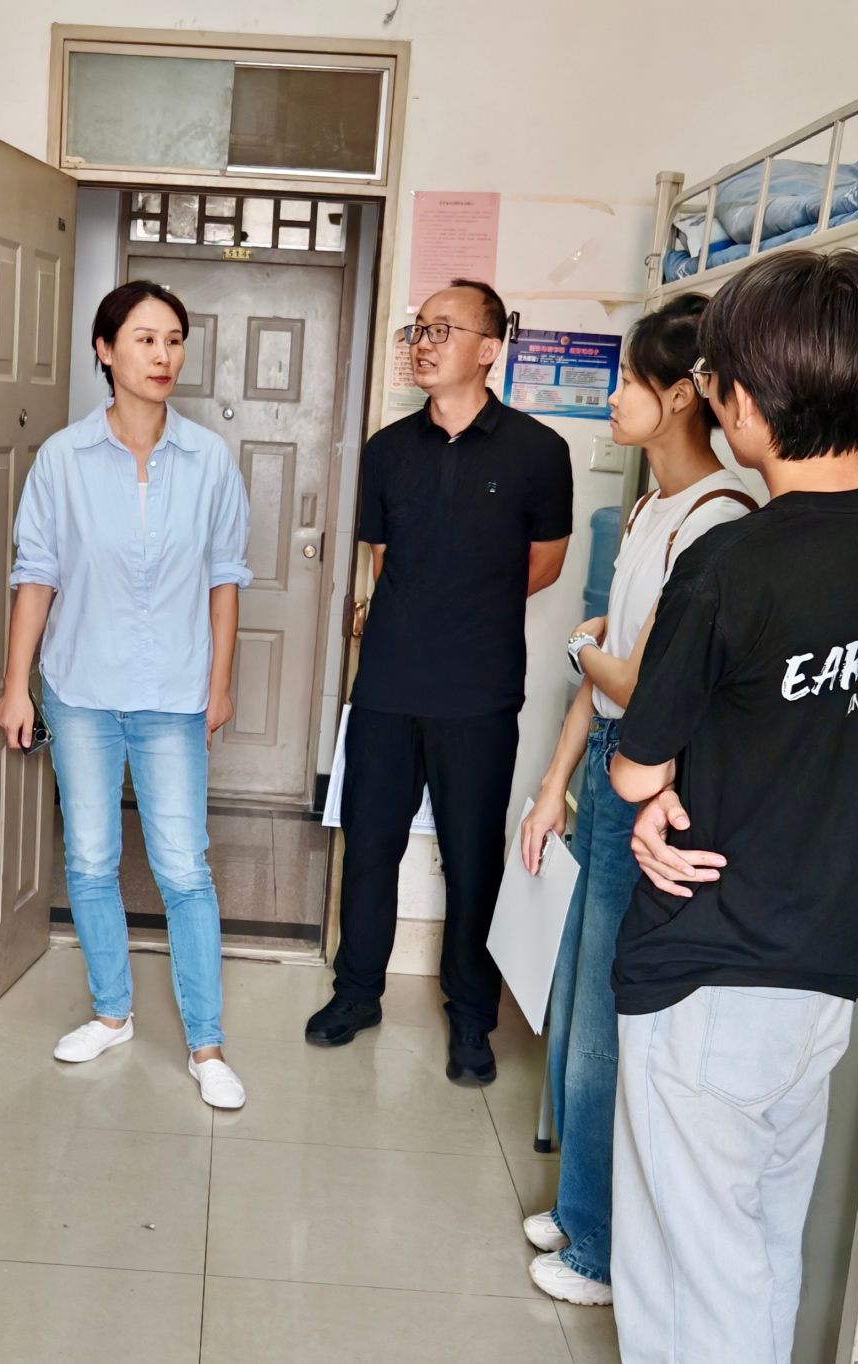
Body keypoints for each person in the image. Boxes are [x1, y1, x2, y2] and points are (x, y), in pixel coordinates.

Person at [606, 248, 858, 1364]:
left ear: (746, 400)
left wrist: (654, 795)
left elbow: (634, 768)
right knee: (760, 1244)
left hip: (711, 963)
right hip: (824, 965)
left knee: (693, 1276)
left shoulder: (732, 562)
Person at [515, 295, 756, 1308]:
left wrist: (589, 651)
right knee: (577, 1001)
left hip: (653, 777)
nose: (612, 398)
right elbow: (603, 672)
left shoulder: (717, 519)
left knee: (607, 1023)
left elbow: (638, 680)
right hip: (610, 766)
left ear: (681, 396)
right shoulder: (652, 507)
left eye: (628, 382)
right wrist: (551, 786)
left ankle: (599, 1251)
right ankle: (579, 1206)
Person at [305, 278, 573, 1085]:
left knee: (471, 857)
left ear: (489, 349)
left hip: (479, 690)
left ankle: (470, 1018)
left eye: (441, 330)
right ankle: (358, 992)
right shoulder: (389, 450)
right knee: (370, 846)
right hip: (387, 684)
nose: (422, 344)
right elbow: (385, 561)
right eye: (417, 330)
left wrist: (467, 605)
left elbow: (545, 564)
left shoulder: (538, 451)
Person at [0, 281, 253, 1110]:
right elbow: (35, 576)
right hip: (81, 691)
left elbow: (224, 581)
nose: (163, 355)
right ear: (105, 351)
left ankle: (206, 1044)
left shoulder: (208, 459)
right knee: (90, 859)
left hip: (174, 693)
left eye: (173, 339)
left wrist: (218, 686)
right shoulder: (63, 460)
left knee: (183, 868)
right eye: (144, 339)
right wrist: (16, 687)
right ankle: (112, 1013)